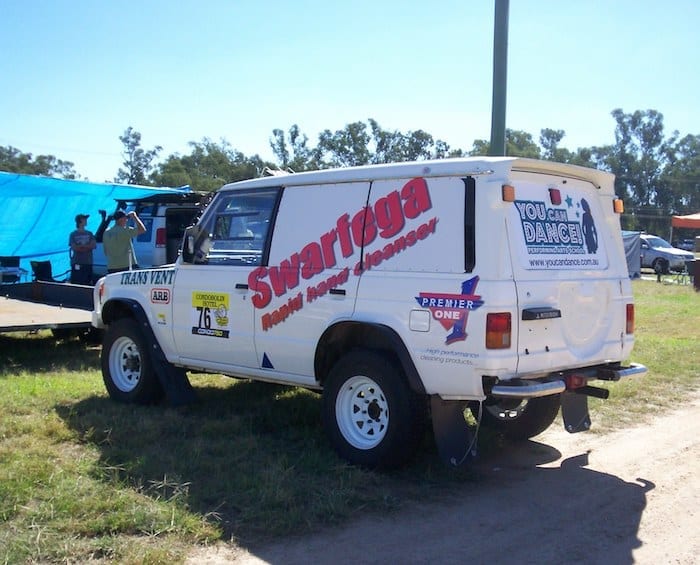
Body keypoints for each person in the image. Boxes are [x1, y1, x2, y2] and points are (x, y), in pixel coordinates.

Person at [68, 214, 96, 284]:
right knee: (77, 281)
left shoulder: (90, 233)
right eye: (85, 219)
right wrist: (87, 247)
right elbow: (74, 247)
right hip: (77, 262)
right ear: (80, 221)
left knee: (87, 282)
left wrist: (82, 246)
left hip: (88, 263)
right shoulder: (73, 234)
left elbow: (93, 245)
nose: (86, 221)